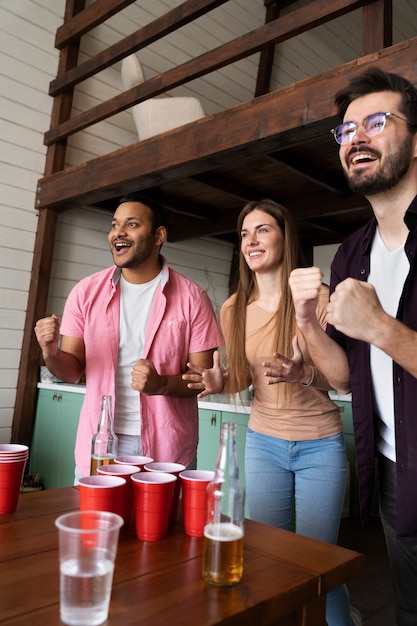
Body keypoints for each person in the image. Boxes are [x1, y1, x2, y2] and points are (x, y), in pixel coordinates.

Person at [183, 199, 357, 625]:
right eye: (244, 233)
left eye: (262, 229)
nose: (251, 240)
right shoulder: (232, 309)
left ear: (285, 235)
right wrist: (220, 383)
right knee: (267, 559)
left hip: (320, 445)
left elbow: (342, 380)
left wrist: (303, 375)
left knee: (320, 565)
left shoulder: (318, 298)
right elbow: (244, 377)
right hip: (263, 444)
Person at [288, 67, 417, 626]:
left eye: (377, 121)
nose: (356, 137)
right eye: (346, 131)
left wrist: (381, 326)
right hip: (392, 468)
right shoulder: (351, 253)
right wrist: (309, 324)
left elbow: (376, 335)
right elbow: (345, 379)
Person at [34, 194, 222, 480]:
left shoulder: (192, 298)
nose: (118, 232)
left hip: (167, 450)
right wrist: (50, 352)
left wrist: (160, 384)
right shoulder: (85, 293)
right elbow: (71, 371)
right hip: (101, 445)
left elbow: (201, 380)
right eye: (114, 224)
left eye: (131, 224)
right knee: (96, 523)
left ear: (159, 235)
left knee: (161, 526)